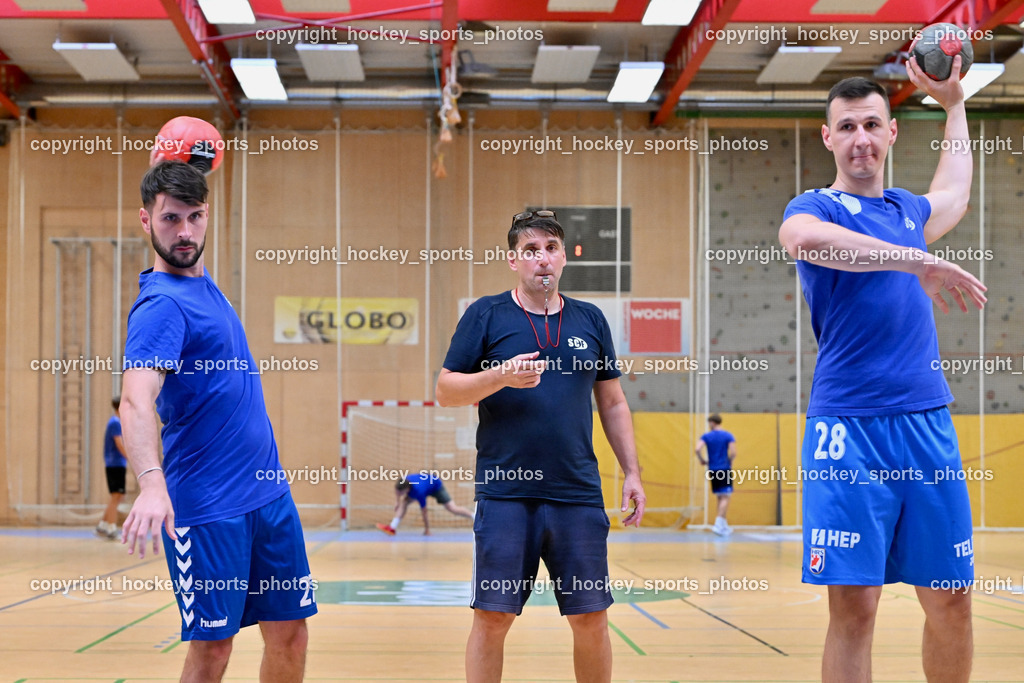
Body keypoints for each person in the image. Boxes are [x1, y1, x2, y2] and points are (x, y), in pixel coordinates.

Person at [778, 55, 986, 683]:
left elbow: (955, 189)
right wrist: (916, 261)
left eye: (872, 124)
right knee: (855, 607)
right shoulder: (816, 206)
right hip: (848, 427)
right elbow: (804, 241)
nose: (861, 138)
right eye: (847, 127)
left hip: (926, 422)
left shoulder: (908, 211)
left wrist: (955, 105)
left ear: (892, 132)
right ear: (828, 137)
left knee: (951, 598)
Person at [119, 160, 317, 683]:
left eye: (195, 216)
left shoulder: (206, 286)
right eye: (170, 219)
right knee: (212, 650)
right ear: (146, 220)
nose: (184, 232)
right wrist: (151, 484)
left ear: (207, 215)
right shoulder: (160, 307)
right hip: (207, 507)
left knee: (291, 633)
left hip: (268, 497)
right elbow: (135, 400)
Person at [436, 209, 646, 683]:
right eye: (530, 250)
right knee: (493, 617)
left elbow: (613, 402)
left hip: (577, 494)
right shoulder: (486, 315)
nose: (542, 259)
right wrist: (500, 376)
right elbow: (446, 390)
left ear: (564, 258)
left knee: (591, 618)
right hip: (506, 495)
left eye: (551, 248)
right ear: (514, 260)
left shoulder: (591, 319)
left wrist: (632, 472)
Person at [376, 472, 474, 536]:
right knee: (404, 502)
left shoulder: (419, 491)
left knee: (452, 508)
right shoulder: (403, 481)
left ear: (407, 489)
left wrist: (427, 529)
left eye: (401, 493)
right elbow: (397, 491)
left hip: (436, 486)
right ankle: (392, 527)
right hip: (425, 483)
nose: (399, 494)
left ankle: (474, 516)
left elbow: (424, 511)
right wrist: (397, 502)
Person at [695, 414, 736, 535]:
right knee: (725, 496)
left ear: (712, 422)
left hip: (712, 469)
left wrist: (702, 460)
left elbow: (697, 449)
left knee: (720, 497)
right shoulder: (727, 435)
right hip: (724, 468)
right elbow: (733, 452)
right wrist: (730, 461)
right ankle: (718, 524)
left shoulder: (707, 436)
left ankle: (723, 525)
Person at [96, 396, 127, 539]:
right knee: (116, 495)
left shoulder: (116, 421)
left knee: (118, 495)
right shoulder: (115, 422)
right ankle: (111, 528)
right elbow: (119, 443)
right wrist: (131, 457)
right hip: (115, 463)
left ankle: (102, 525)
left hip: (117, 463)